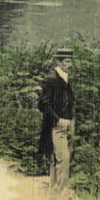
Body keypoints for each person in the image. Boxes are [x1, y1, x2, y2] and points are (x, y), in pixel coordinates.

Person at [38, 48, 75, 192]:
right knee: (63, 159)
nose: (70, 64)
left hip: (66, 124)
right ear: (58, 62)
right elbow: (43, 104)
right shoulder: (52, 79)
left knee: (56, 158)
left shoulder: (65, 77)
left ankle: (54, 188)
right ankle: (60, 191)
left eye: (70, 61)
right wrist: (57, 120)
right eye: (66, 61)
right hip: (57, 126)